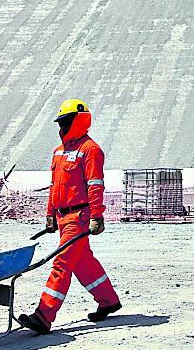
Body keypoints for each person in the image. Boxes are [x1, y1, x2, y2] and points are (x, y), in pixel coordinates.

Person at [18, 100, 121, 334]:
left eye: (66, 122)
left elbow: (95, 185)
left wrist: (97, 216)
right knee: (83, 263)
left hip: (80, 217)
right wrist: (50, 214)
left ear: (79, 120)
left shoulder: (90, 150)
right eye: (60, 123)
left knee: (62, 263)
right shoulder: (59, 152)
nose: (61, 127)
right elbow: (54, 186)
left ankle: (44, 315)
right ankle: (109, 301)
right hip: (63, 217)